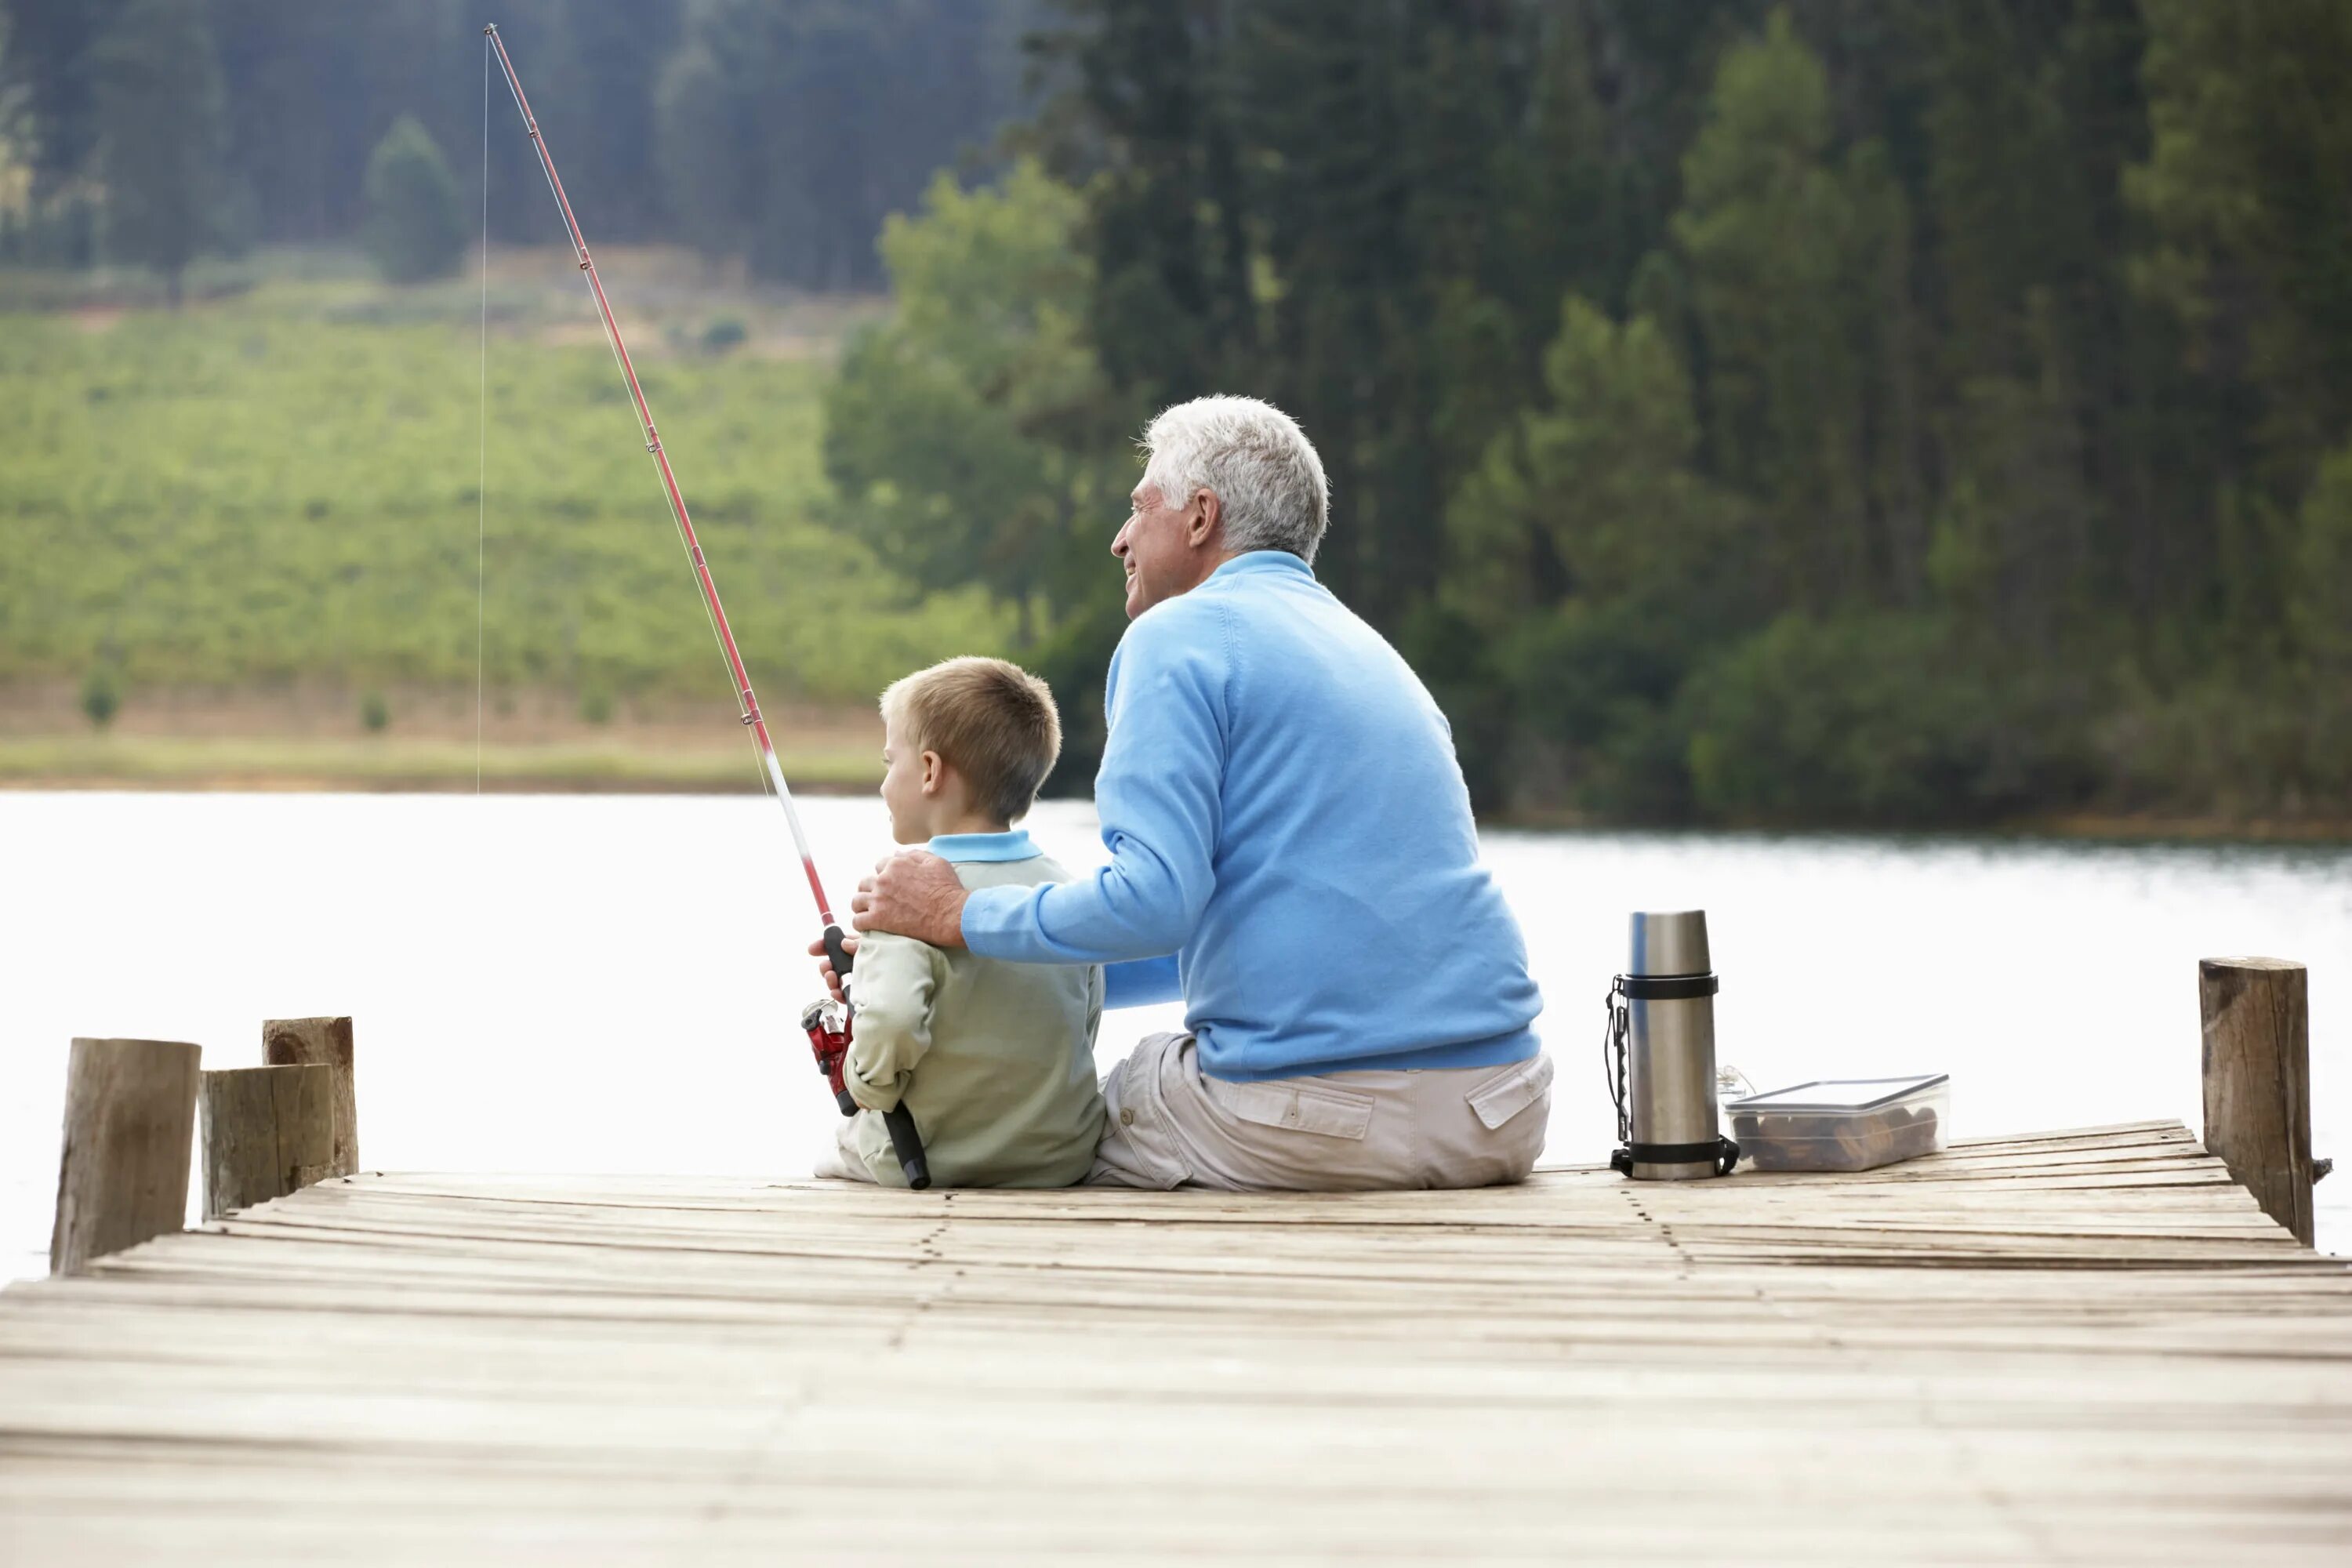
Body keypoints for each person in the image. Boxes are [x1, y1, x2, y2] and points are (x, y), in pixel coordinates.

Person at [826, 395, 1550, 1191]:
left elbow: (1153, 903)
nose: (1120, 537)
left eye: (1139, 507)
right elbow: (1225, 927)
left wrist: (956, 914)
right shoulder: (1375, 653)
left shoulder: (1173, 637)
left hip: (1325, 1122)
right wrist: (964, 952)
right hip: (1503, 1106)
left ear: (1201, 516)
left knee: (1056, 1123)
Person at [813, 656, 1105, 1189]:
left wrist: (862, 1084)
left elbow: (895, 1021)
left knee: (837, 1150)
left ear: (929, 771)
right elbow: (1083, 1020)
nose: (883, 785)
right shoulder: (1065, 891)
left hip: (927, 1163)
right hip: (1059, 1161)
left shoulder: (903, 893)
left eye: (888, 763)